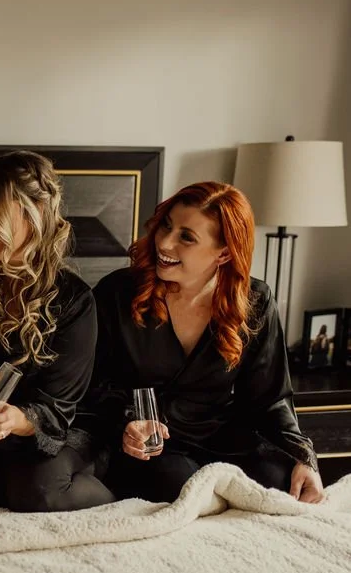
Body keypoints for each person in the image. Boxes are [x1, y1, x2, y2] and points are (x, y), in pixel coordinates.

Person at [83, 181, 325, 504]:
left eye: (186, 237)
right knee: (181, 486)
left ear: (224, 253)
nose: (164, 242)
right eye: (166, 226)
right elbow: (90, 385)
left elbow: (271, 400)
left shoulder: (255, 301)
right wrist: (127, 421)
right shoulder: (116, 293)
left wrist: (303, 456)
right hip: (146, 446)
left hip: (220, 439)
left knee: (283, 480)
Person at [0, 150, 115, 512]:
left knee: (39, 490)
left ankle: (112, 496)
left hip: (57, 430)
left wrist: (18, 420)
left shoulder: (75, 300)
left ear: (35, 212)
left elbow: (59, 408)